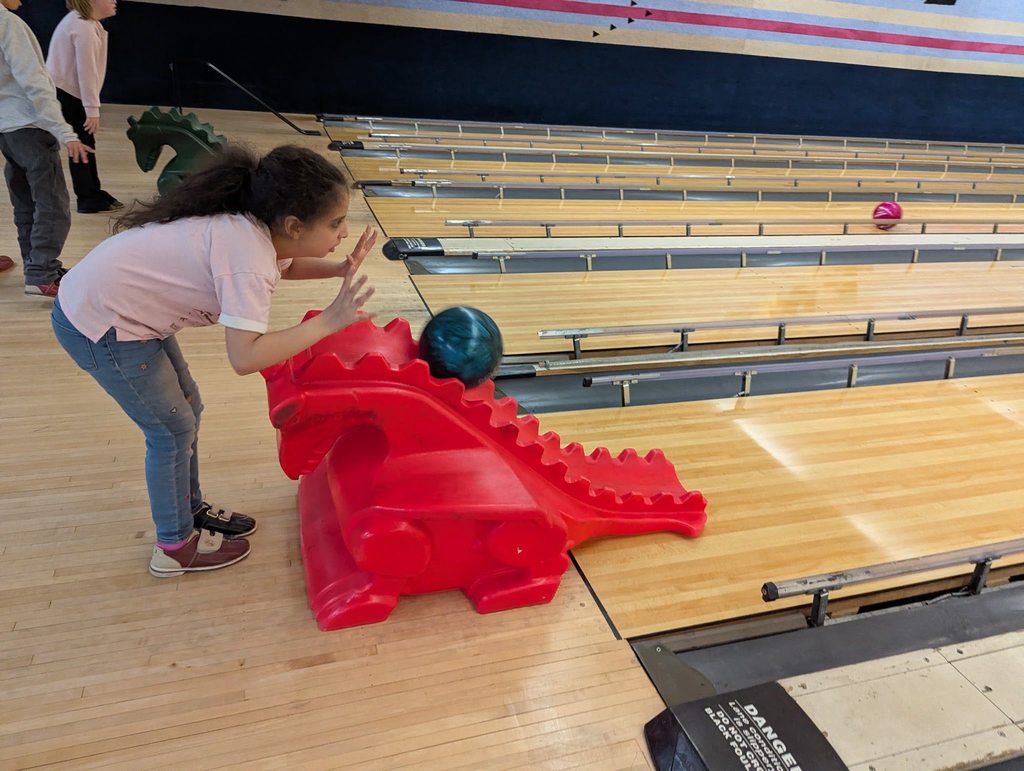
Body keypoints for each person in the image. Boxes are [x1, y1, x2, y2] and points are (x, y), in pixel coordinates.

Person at [51, 144, 377, 577]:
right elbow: (245, 357)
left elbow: (288, 265)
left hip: (121, 313)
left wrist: (338, 268)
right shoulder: (248, 258)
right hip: (100, 324)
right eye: (336, 224)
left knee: (189, 409)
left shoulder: (258, 231)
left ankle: (188, 510)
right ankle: (174, 547)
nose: (343, 232)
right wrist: (330, 321)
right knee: (170, 431)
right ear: (294, 225)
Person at [0, 0, 92, 298]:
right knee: (52, 206)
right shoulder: (9, 24)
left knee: (25, 202)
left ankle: (36, 266)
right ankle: (42, 274)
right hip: (30, 127)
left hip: (6, 131)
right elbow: (35, 82)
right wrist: (65, 132)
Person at [46, 0, 121, 213]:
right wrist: (92, 109)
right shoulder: (82, 27)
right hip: (67, 94)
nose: (114, 1)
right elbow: (86, 73)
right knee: (81, 145)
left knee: (86, 141)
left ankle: (93, 191)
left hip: (71, 92)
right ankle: (87, 197)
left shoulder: (90, 24)